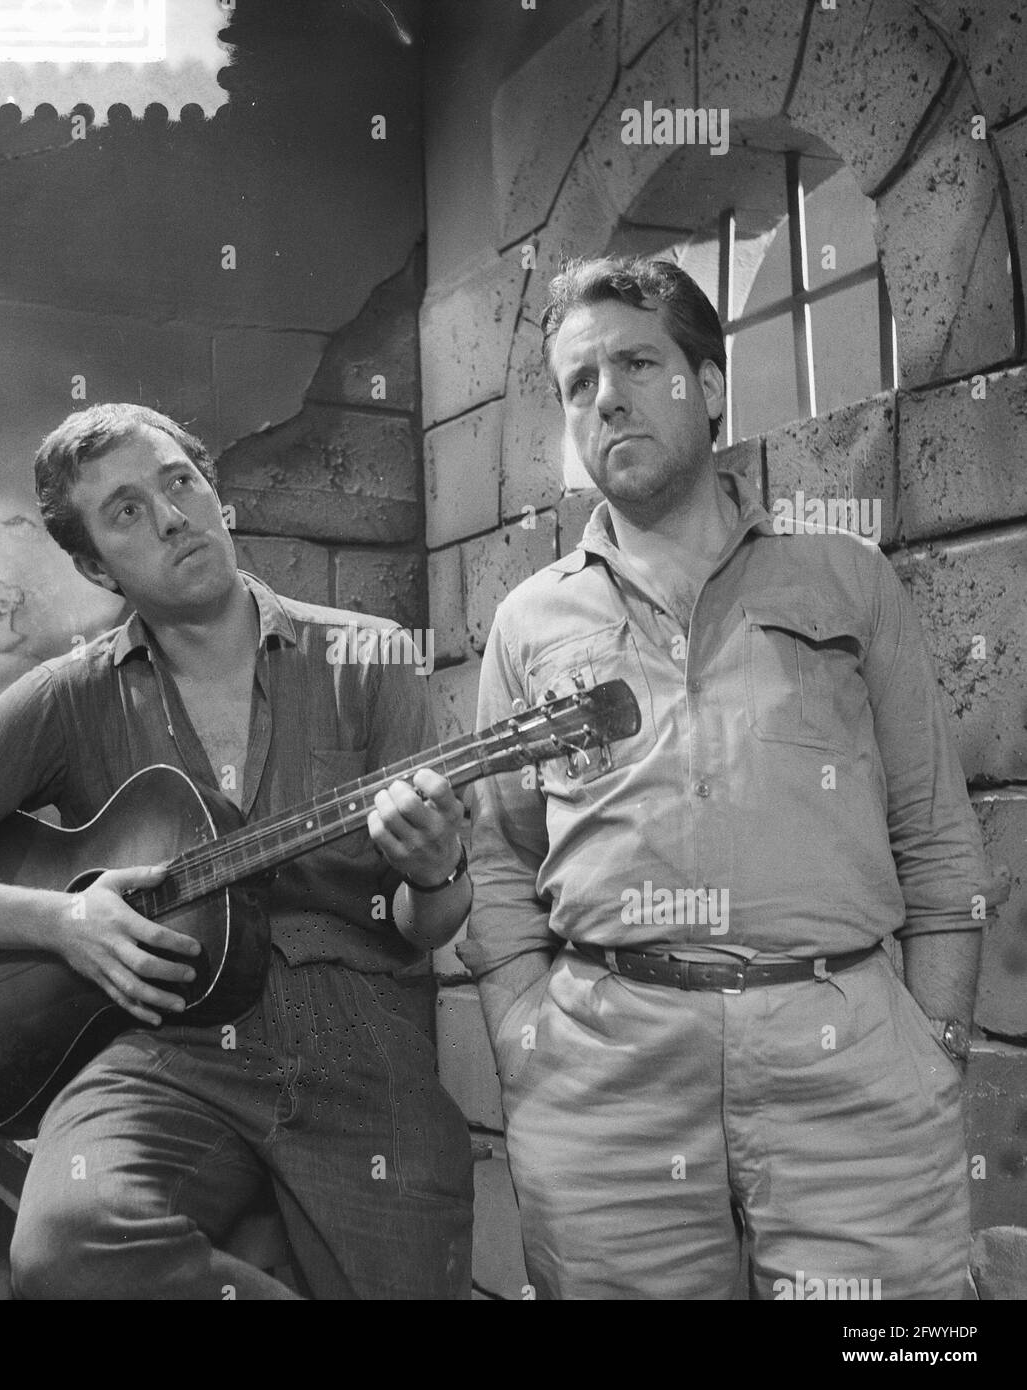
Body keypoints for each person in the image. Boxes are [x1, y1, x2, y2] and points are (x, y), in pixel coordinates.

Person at [0, 402, 474, 1300]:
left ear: (215, 494)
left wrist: (433, 869)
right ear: (97, 565)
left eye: (181, 482)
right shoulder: (68, 698)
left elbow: (427, 924)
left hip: (357, 1041)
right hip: (164, 1039)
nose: (172, 514)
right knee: (65, 1246)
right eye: (128, 510)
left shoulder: (366, 660)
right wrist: (62, 921)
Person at [463, 255, 994, 1300]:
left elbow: (937, 838)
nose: (604, 396)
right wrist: (525, 1038)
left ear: (706, 387)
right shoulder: (530, 624)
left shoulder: (846, 578)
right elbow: (497, 860)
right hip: (607, 1081)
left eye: (634, 363)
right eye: (578, 383)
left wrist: (931, 1049)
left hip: (849, 1064)